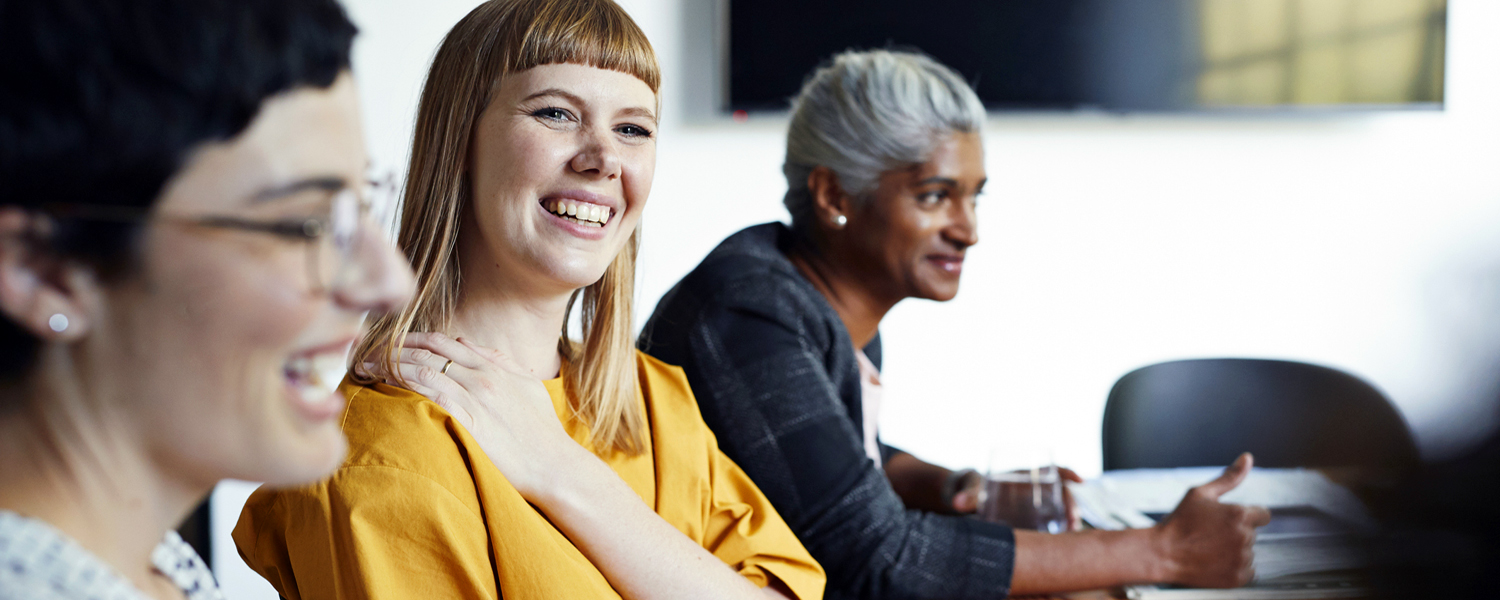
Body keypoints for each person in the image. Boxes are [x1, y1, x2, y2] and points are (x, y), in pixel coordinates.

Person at [232, 1, 824, 599]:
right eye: (556, 113)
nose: (604, 159)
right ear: (459, 142)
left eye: (633, 128)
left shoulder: (651, 398)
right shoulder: (384, 461)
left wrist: (564, 474)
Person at [640, 49, 1270, 599]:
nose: (968, 229)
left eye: (974, 196)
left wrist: (955, 486)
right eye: (935, 195)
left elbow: (825, 465)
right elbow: (877, 561)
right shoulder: (749, 314)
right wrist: (1161, 550)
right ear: (834, 196)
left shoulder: (816, 298)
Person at [0, 1, 415, 598]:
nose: (390, 282)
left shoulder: (151, 568)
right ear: (45, 272)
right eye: (302, 224)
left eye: (359, 205)